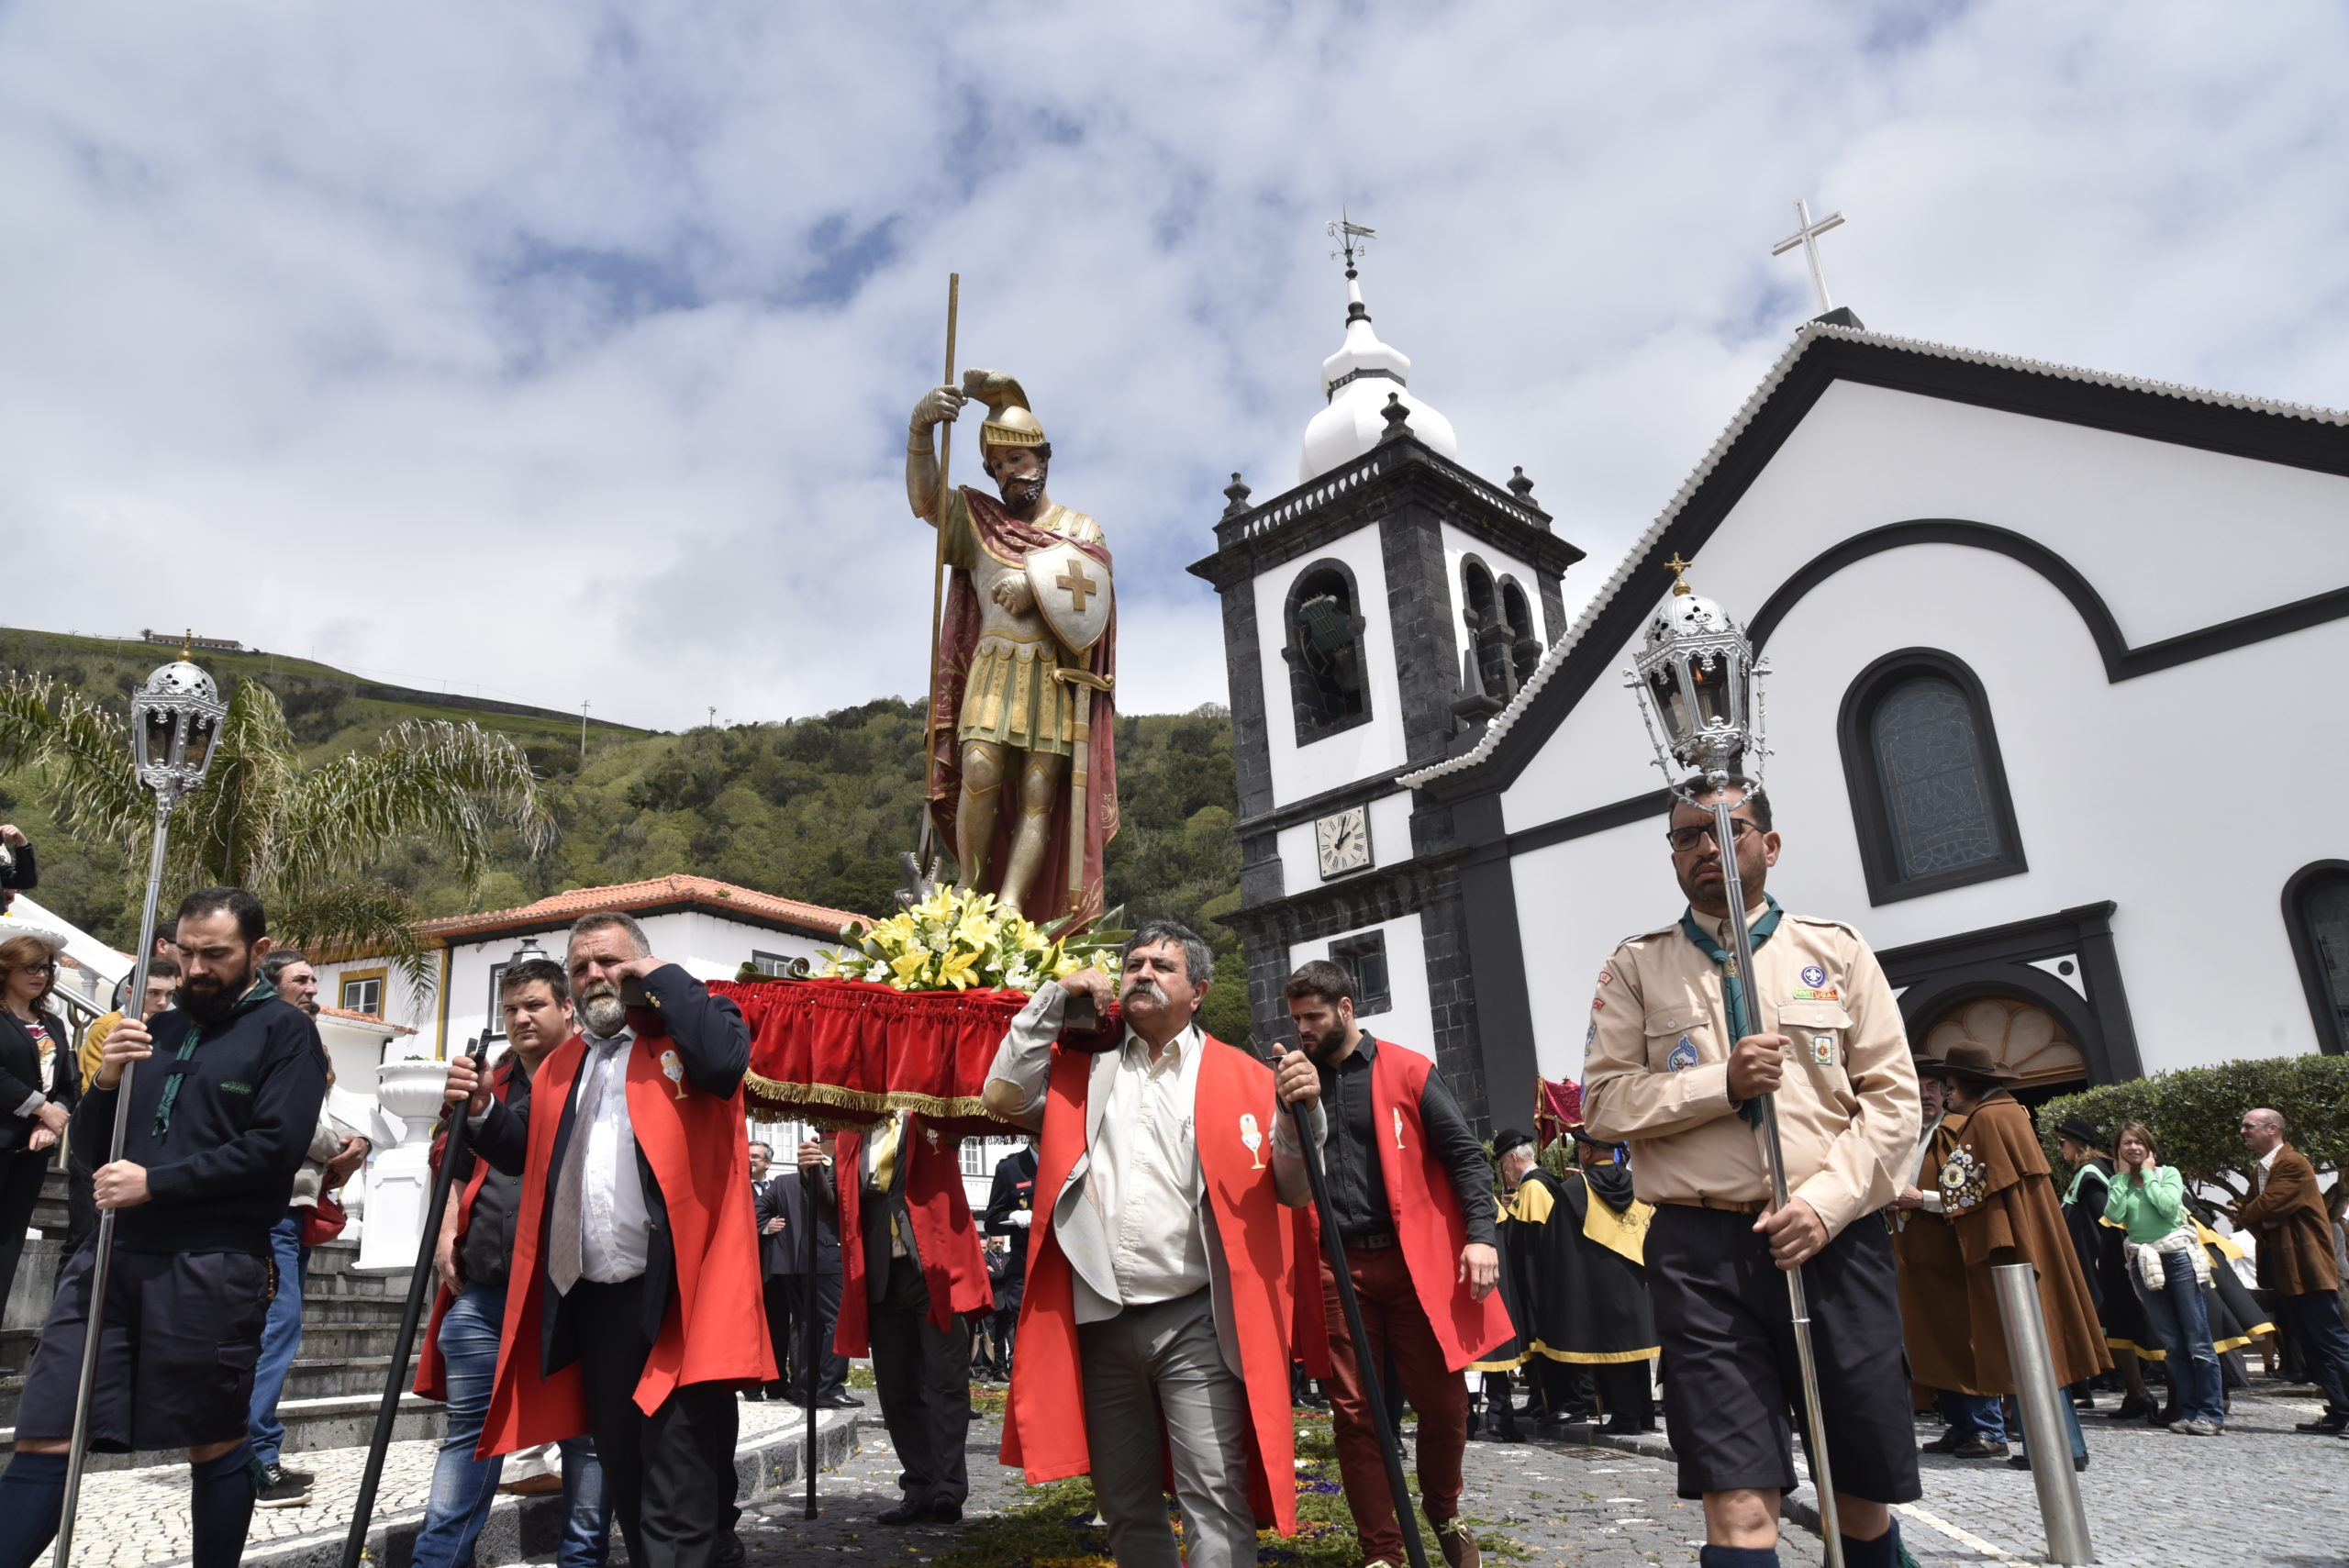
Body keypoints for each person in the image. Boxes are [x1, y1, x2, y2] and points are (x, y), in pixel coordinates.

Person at [1582, 776, 1920, 1568]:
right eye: (1688, 835)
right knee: (1735, 1500)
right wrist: (1718, 1084)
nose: (1708, 846)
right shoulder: (1639, 967)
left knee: (1858, 1498)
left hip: (1834, 1242)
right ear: (1673, 856)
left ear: (1769, 844)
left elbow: (1895, 1101)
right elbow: (1602, 1104)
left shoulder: (1835, 951)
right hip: (1704, 1253)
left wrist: (1828, 1204)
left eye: (1727, 829)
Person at [0, 887, 328, 1568]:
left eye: (217, 954)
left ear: (258, 952)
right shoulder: (158, 1027)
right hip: (109, 1258)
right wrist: (111, 1080)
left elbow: (275, 1145)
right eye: (187, 952)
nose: (198, 968)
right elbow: (91, 1146)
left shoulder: (286, 1033)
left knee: (212, 1436)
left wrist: (158, 1181)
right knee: (46, 1429)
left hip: (212, 1262)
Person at [445, 910, 770, 1568]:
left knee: (679, 1484)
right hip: (596, 1306)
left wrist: (656, 979)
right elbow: (530, 1151)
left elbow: (725, 1062)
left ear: (646, 966)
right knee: (626, 1480)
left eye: (610, 962)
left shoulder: (694, 1030)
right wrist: (481, 1111)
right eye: (580, 967)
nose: (595, 975)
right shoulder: (563, 1065)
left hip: (677, 1301)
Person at [983, 921, 1313, 1568]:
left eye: (1163, 965)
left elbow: (1295, 1190)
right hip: (1103, 1317)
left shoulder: (1245, 1076)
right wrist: (1054, 997)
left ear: (1200, 990)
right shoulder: (1083, 1069)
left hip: (1195, 1318)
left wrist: (1306, 1118)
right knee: (1126, 1505)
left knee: (1213, 1497)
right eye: (1133, 962)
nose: (1142, 972)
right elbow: (1002, 1093)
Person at [1273, 959, 1508, 1568]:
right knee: (1356, 1413)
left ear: (1346, 1009)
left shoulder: (1407, 1068)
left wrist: (1481, 1235)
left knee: (1445, 1403)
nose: (1302, 1029)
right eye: (1295, 1018)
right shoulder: (1296, 1081)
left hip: (1411, 1266)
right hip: (1334, 1265)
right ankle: (1382, 1551)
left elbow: (1465, 1157)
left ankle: (1444, 1508)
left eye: (1314, 1017)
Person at [410, 956, 612, 1568]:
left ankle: (582, 1561)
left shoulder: (594, 1074)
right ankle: (437, 1562)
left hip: (570, 1293)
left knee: (585, 1437)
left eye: (535, 1005)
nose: (522, 1017)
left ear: (567, 1008)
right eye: (511, 1009)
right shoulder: (491, 1080)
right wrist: (446, 1223)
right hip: (485, 1290)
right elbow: (450, 1154)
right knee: (469, 1438)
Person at [905, 371, 1119, 922]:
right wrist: (921, 430)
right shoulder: (979, 519)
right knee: (978, 770)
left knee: (1039, 790)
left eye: (1015, 462)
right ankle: (972, 895)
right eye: (996, 467)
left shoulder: (1080, 527)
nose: (1006, 475)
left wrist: (1037, 582)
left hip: (1052, 675)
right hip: (992, 664)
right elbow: (926, 500)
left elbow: (1094, 590)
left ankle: (1011, 906)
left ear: (1043, 458)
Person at [810, 1105, 991, 1524]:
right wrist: (811, 1173)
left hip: (935, 1271)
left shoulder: (934, 1115)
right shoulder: (850, 1132)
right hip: (882, 1279)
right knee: (896, 1391)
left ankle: (949, 1488)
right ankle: (919, 1485)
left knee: (947, 1383)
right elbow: (834, 1210)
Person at [1932, 1043, 2105, 1471]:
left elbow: (1964, 1188)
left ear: (1969, 1085)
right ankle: (2066, 1445)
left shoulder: (1987, 1121)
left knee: (2027, 1345)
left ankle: (2051, 1447)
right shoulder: (2009, 1114)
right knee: (2041, 1345)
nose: (1948, 1095)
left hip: (2009, 1250)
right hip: (2027, 1241)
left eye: (1951, 1086)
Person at [246, 948, 370, 1505]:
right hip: (271, 1205)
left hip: (291, 1208)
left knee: (277, 1329)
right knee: (277, 1329)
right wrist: (339, 1148)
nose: (313, 989)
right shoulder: (270, 1035)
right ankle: (254, 1457)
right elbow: (285, 1121)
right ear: (271, 985)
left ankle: (256, 1450)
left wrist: (353, 1141)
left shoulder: (299, 1036)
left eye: (316, 980)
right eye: (301, 980)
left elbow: (313, 1116)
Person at [1889, 1057, 2003, 1457]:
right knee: (1933, 1343)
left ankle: (1988, 1430)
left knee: (1965, 1340)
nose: (1924, 1095)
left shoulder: (1959, 1132)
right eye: (1916, 1087)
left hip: (1952, 1252)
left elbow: (1976, 1189)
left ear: (1945, 1094)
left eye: (1933, 1088)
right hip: (1915, 1256)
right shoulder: (1907, 1138)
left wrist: (1923, 1200)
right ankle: (1958, 1425)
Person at [2230, 1107, 2349, 1438]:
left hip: (2308, 1268)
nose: (2243, 1131)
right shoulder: (2261, 1170)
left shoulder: (2293, 1164)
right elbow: (2249, 1214)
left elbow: (2262, 1208)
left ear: (2272, 1128)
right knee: (2311, 1344)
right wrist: (2259, 1216)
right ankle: (2340, 1411)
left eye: (2249, 1125)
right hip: (2285, 1271)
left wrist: (2259, 1214)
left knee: (2332, 1340)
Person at [2102, 1122, 2225, 1436]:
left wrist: (2147, 1174)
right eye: (2125, 1143)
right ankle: (2187, 1410)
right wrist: (2119, 1179)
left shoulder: (2167, 1174)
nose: (2132, 1147)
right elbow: (2114, 1216)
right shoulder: (2119, 1181)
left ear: (2148, 1147)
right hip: (2144, 1260)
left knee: (2197, 1337)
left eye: (2137, 1142)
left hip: (2177, 1257)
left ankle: (2211, 1413)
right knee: (2171, 1342)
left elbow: (2169, 1207)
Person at [70, 957, 181, 1250]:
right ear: (130, 992)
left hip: (142, 1147)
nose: (162, 1002)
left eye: (169, 995)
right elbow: (93, 1086)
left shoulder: (171, 1031)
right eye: (154, 993)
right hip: (103, 1140)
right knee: (86, 1237)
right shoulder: (109, 1026)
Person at [2053, 1117, 2155, 1420]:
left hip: (2102, 1263)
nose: (2059, 1149)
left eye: (2062, 1142)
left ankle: (2141, 1392)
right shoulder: (2089, 1171)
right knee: (2118, 1330)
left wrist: (2104, 1262)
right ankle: (2136, 1393)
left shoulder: (2091, 1171)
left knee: (2124, 1327)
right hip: (2099, 1262)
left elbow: (2106, 1217)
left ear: (2077, 1143)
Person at [0, 930, 76, 1320]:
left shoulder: (52, 1023)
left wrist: (51, 1121)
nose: (40, 975)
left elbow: (69, 1083)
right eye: (30, 967)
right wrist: (41, 1109)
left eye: (46, 968)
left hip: (31, 1149)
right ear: (6, 968)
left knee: (9, 1244)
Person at [1470, 1133, 1539, 1445]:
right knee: (1494, 1362)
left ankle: (1472, 1417)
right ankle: (1498, 1418)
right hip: (1496, 1292)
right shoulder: (1496, 1208)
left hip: (1474, 1291)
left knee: (1476, 1362)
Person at [774, 1134, 851, 1408]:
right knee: (834, 1322)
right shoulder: (827, 1165)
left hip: (813, 1257)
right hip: (827, 1255)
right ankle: (828, 1386)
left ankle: (806, 1385)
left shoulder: (823, 1164)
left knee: (810, 1324)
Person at [981, 1138, 1039, 1378]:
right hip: (1025, 1269)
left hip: (1064, 1267)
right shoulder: (1011, 1167)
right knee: (1029, 1338)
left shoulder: (1069, 1161)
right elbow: (991, 1219)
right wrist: (1013, 1216)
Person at [750, 1143, 794, 1399]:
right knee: (752, 1329)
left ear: (767, 1163)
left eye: (755, 1156)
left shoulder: (780, 1188)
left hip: (777, 1272)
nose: (749, 1160)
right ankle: (751, 1385)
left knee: (779, 1328)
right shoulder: (735, 1187)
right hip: (750, 1271)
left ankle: (778, 1382)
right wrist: (764, 1228)